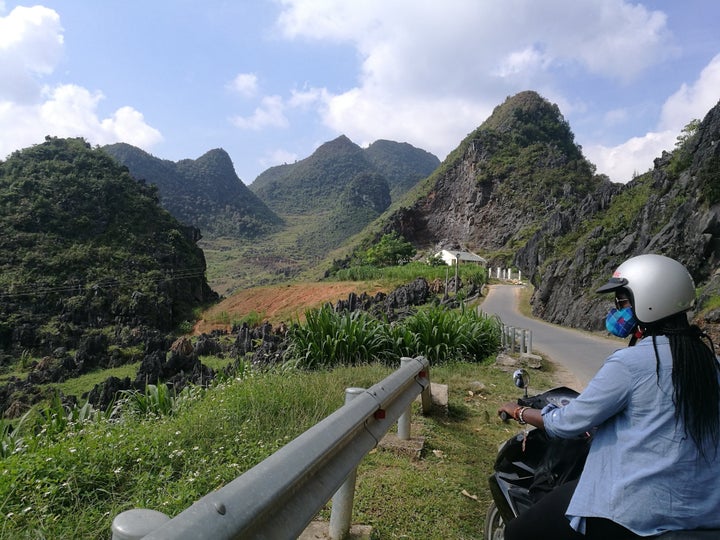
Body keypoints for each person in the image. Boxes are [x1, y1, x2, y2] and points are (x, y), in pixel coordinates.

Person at [498, 254, 720, 539]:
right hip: (703, 510)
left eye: (623, 302)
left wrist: (520, 412)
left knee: (519, 532)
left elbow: (568, 423)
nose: (618, 311)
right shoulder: (707, 361)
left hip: (636, 510)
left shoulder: (631, 363)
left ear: (650, 300)